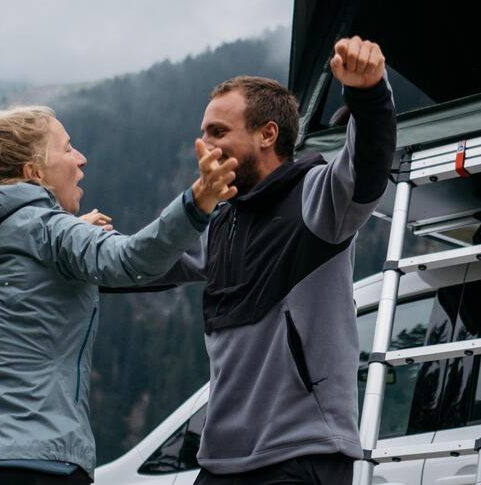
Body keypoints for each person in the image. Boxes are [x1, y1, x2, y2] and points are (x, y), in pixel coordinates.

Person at [0, 105, 238, 485]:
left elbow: (25, 268)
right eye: (67, 148)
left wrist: (70, 235)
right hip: (37, 462)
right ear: (33, 172)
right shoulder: (52, 233)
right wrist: (198, 202)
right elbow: (132, 260)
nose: (80, 159)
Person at [148, 36, 397, 484]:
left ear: (267, 134)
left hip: (301, 454)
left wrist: (369, 93)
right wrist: (73, 244)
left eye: (218, 132)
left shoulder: (318, 196)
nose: (203, 147)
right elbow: (142, 266)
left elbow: (368, 167)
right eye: (203, 134)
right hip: (222, 461)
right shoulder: (220, 222)